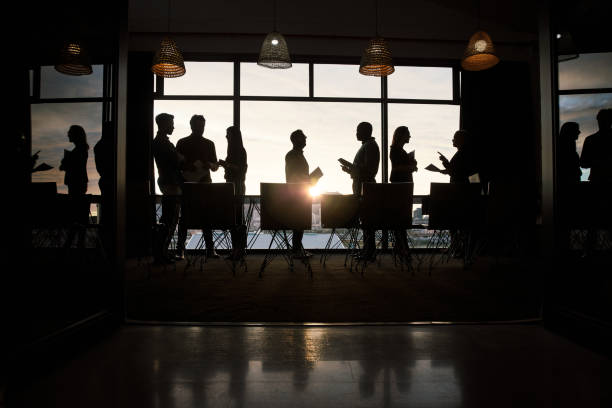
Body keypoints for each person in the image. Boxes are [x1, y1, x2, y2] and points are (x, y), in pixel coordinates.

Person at [176, 115, 220, 259]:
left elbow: (178, 165)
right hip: (203, 182)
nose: (200, 129)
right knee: (202, 216)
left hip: (189, 182)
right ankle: (209, 249)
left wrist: (193, 166)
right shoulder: (209, 144)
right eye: (198, 126)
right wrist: (209, 165)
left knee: (187, 216)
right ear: (192, 126)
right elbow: (215, 167)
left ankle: (180, 250)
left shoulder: (182, 142)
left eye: (201, 126)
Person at [340, 122, 380, 259]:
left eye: (358, 131)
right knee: (366, 223)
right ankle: (367, 251)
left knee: (368, 223)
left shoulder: (370, 146)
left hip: (366, 189)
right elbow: (364, 171)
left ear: (366, 131)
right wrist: (350, 170)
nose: (356, 133)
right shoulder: (367, 146)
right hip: (363, 188)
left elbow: (369, 171)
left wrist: (352, 169)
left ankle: (369, 252)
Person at [152, 113, 183, 264]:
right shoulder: (162, 143)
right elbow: (176, 161)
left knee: (169, 219)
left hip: (167, 182)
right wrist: (180, 158)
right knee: (170, 220)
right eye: (171, 124)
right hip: (170, 183)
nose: (173, 127)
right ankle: (161, 253)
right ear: (163, 124)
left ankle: (162, 252)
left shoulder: (159, 142)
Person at [218, 126, 248, 259]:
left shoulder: (238, 152)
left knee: (235, 219)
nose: (226, 137)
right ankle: (239, 248)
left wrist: (226, 165)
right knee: (237, 218)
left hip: (235, 188)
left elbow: (240, 170)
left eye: (228, 135)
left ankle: (238, 249)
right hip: (237, 187)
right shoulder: (240, 151)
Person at [389, 126, 417, 257]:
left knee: (400, 219)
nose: (410, 137)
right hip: (401, 187)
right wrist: (411, 166)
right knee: (401, 219)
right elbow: (398, 168)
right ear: (401, 136)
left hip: (400, 186)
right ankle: (402, 247)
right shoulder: (396, 151)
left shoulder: (396, 150)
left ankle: (401, 247)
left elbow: (398, 168)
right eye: (408, 134)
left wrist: (411, 165)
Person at [285, 129, 312, 257]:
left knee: (300, 223)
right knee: (298, 222)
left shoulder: (295, 155)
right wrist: (309, 179)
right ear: (296, 140)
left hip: (300, 192)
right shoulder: (293, 155)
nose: (306, 138)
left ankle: (297, 249)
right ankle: (296, 250)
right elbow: (294, 176)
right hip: (298, 194)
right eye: (303, 137)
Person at [59, 125, 90, 225]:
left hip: (76, 183)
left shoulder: (79, 150)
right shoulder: (81, 149)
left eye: (70, 132)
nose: (68, 134)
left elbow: (75, 167)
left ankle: (76, 237)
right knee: (77, 213)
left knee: (75, 214)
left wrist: (65, 163)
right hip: (78, 183)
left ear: (75, 135)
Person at [580, 108, 612, 184]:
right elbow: (583, 163)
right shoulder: (590, 139)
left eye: (604, 120)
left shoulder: (590, 139)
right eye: (601, 120)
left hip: (596, 179)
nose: (601, 122)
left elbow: (584, 163)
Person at [94, 121, 114, 225]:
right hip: (108, 181)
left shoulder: (99, 145)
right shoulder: (111, 145)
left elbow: (99, 167)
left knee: (107, 211)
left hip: (105, 180)